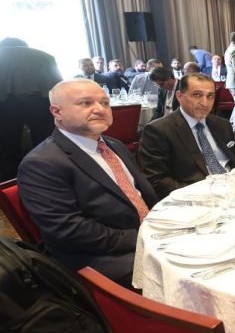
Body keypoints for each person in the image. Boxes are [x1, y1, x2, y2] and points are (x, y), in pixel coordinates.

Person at [17, 79, 157, 287]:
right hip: (101, 260)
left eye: (105, 103)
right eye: (86, 103)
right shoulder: (42, 163)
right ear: (57, 112)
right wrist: (142, 236)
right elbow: (68, 231)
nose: (100, 109)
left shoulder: (114, 145)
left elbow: (140, 194)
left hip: (148, 236)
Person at [139, 73, 235, 200]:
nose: (205, 103)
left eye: (210, 96)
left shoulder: (222, 124)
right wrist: (204, 195)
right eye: (197, 95)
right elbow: (157, 181)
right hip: (196, 198)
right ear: (179, 96)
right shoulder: (159, 130)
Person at [0, 37, 62, 181]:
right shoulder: (45, 56)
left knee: (8, 147)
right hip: (41, 101)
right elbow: (58, 84)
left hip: (5, 104)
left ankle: (9, 183)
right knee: (45, 142)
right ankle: (49, 177)